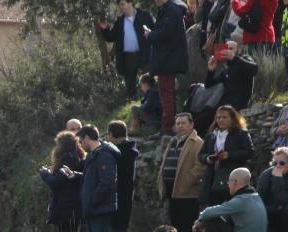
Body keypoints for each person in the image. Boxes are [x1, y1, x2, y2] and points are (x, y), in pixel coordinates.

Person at [63, 125, 120, 232]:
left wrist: (92, 201)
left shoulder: (104, 156)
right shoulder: (93, 156)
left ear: (87, 138)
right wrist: (76, 175)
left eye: (81, 141)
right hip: (93, 209)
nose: (81, 145)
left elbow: (107, 184)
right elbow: (92, 179)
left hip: (100, 209)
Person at [194, 167, 267, 232]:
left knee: (213, 220)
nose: (228, 185)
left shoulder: (241, 201)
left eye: (229, 181)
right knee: (216, 218)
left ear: (235, 182)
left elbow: (209, 212)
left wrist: (200, 220)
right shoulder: (255, 197)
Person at [157, 112, 205, 232]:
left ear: (191, 124)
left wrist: (187, 181)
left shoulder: (198, 143)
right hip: (171, 191)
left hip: (188, 192)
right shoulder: (173, 141)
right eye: (178, 123)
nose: (180, 126)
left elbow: (200, 167)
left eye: (183, 123)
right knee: (175, 224)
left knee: (187, 225)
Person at [145, 0, 189, 137]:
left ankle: (168, 129)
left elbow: (165, 33)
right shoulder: (169, 10)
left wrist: (149, 34)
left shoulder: (171, 11)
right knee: (167, 95)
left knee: (166, 95)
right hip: (168, 60)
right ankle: (168, 127)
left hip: (168, 60)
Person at [199, 105, 254, 208]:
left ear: (232, 119)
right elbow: (200, 155)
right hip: (212, 176)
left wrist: (229, 155)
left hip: (231, 176)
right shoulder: (211, 135)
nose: (221, 120)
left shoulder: (241, 134)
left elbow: (249, 152)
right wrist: (208, 158)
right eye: (218, 117)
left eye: (224, 117)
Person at [100, 0, 156, 99]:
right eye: (120, 5)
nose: (121, 7)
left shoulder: (144, 15)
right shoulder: (120, 21)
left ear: (130, 2)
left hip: (144, 53)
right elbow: (111, 37)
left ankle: (152, 98)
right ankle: (132, 101)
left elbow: (154, 30)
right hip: (128, 56)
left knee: (148, 78)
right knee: (130, 81)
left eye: (123, 4)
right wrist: (105, 29)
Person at [106, 121, 139, 232]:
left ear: (111, 134)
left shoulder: (120, 153)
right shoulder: (129, 151)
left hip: (119, 198)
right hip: (124, 197)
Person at [40, 131, 86, 232]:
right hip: (78, 204)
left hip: (66, 207)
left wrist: (44, 173)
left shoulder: (66, 159)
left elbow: (56, 182)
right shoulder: (79, 157)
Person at [204, 42, 258, 111]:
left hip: (238, 106)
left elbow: (254, 69)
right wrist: (210, 71)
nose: (228, 51)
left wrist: (234, 57)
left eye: (231, 49)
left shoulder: (245, 59)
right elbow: (208, 85)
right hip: (224, 106)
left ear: (238, 50)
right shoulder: (226, 70)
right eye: (226, 48)